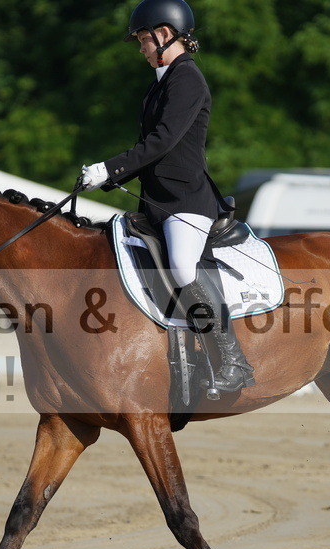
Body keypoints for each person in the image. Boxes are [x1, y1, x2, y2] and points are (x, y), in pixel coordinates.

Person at [79, 0, 254, 393]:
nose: (140, 48)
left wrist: (111, 168)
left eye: (143, 40)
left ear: (163, 35)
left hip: (186, 200)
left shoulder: (187, 79)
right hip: (158, 201)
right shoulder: (160, 82)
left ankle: (233, 361)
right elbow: (151, 146)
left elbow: (162, 142)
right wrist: (108, 176)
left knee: (182, 267)